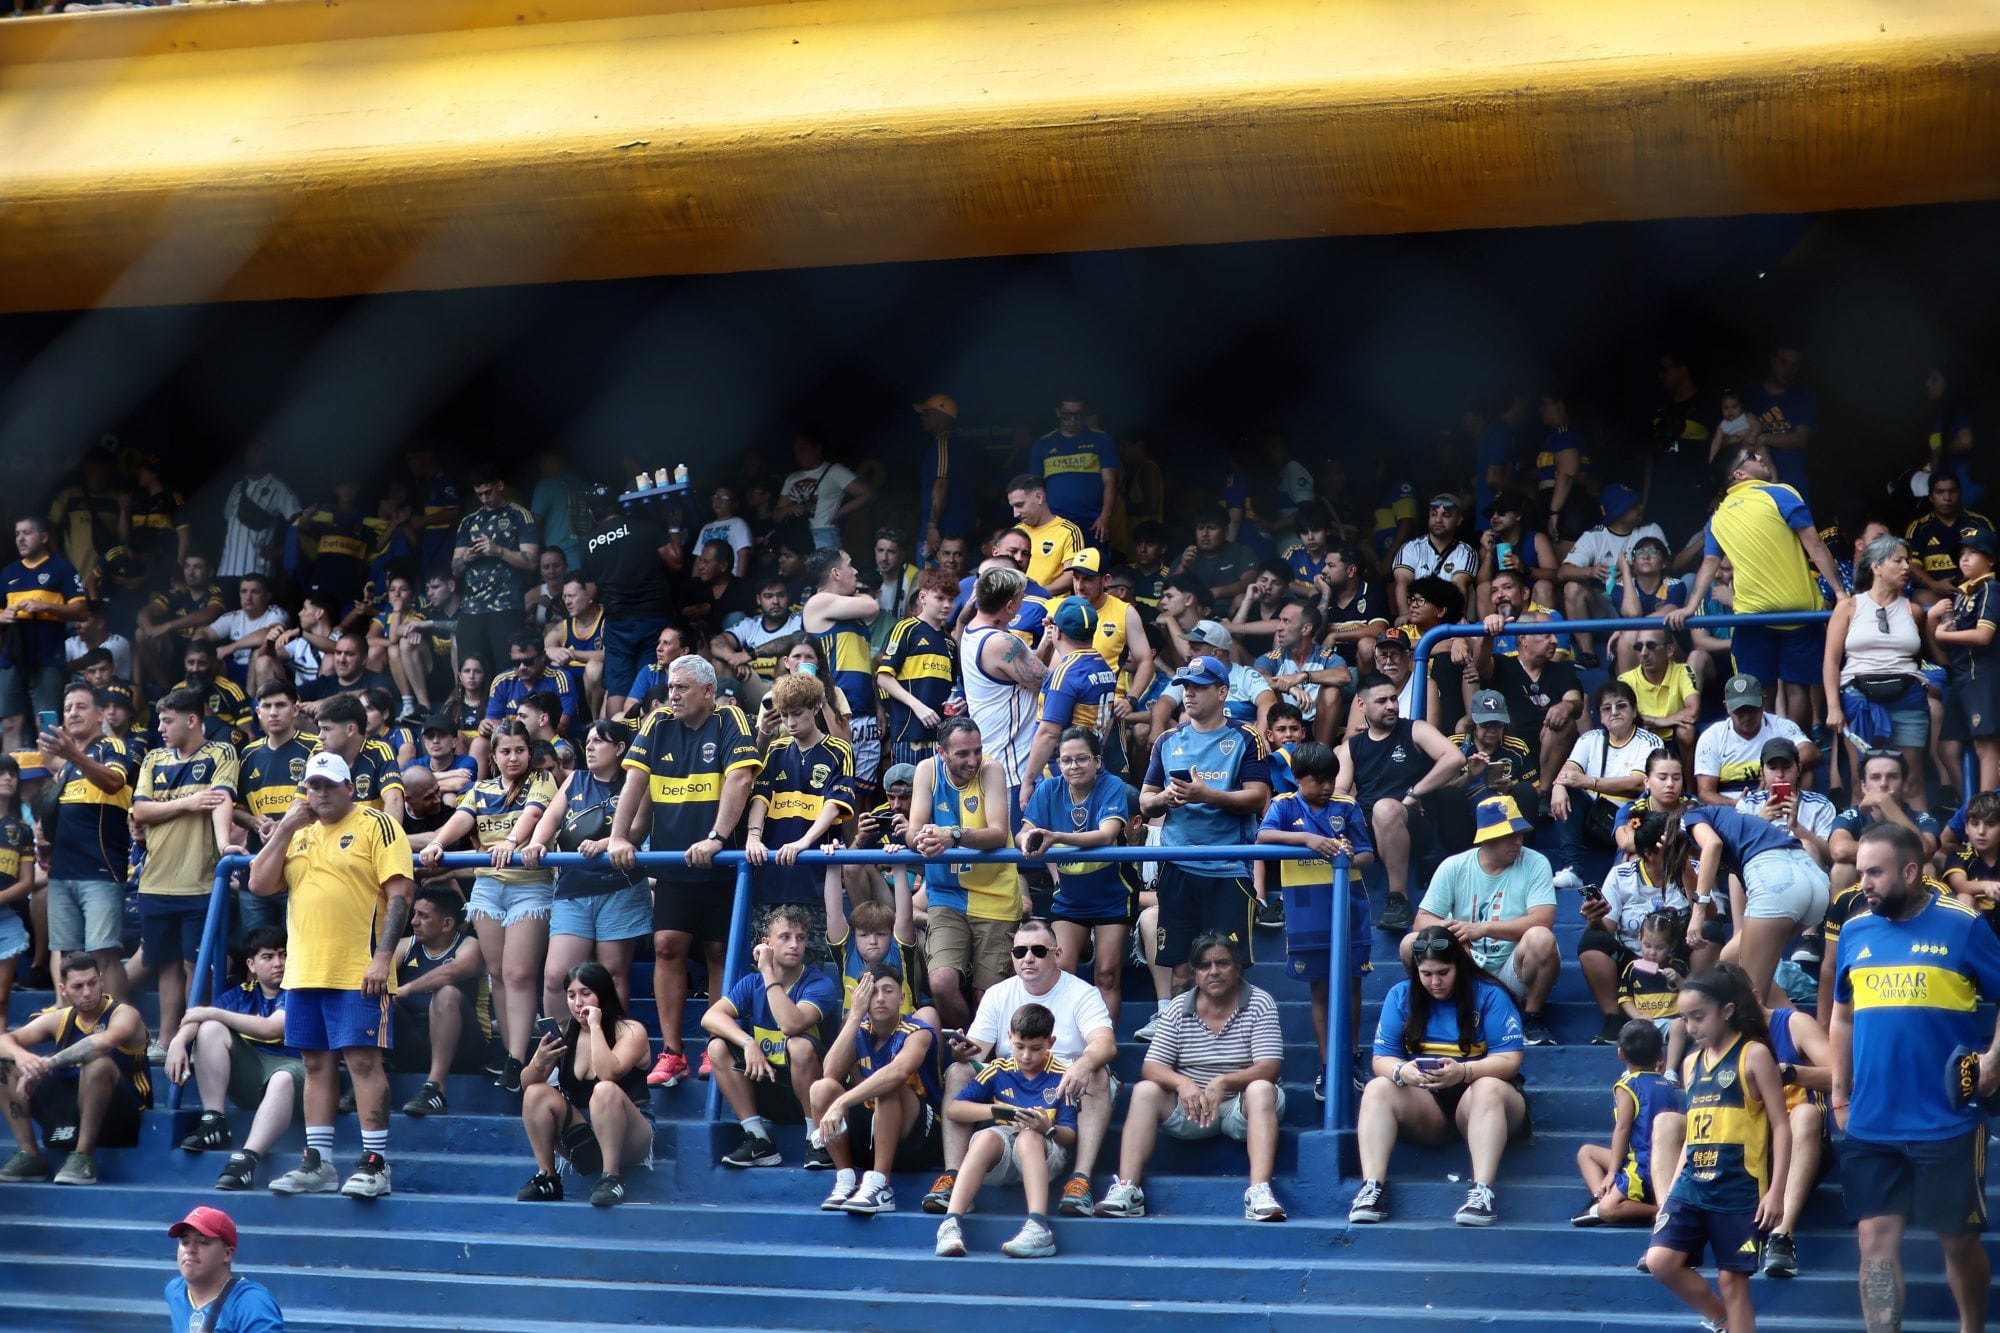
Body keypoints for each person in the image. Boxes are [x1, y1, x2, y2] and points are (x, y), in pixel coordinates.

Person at [1831, 822, 2000, 1333]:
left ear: (1911, 871)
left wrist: (1993, 1058)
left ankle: (1973, 1327)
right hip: (1871, 1120)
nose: (1865, 883)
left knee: (1957, 1240)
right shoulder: (1856, 930)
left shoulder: (1963, 924)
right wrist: (1840, 1091)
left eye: (1876, 872)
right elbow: (1842, 1015)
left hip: (1945, 1119)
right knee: (1873, 1242)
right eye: (1861, 872)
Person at [246, 750, 415, 1200]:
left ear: (350, 787)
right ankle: (318, 1162)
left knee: (362, 1062)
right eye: (312, 786)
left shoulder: (378, 824)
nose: (319, 793)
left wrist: (383, 957)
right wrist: (284, 827)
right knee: (315, 1064)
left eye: (327, 785)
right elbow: (259, 883)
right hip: (304, 970)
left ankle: (375, 1164)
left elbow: (400, 894)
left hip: (358, 967)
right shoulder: (296, 834)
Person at [609, 652, 760, 1088]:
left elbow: (740, 780)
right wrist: (620, 837)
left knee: (718, 952)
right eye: (670, 687)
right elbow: (634, 781)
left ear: (708, 691)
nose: (672, 694)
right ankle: (672, 1053)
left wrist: (715, 837)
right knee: (667, 946)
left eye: (682, 688)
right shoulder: (657, 725)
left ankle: (718, 1045)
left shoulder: (731, 721)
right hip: (674, 864)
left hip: (721, 863)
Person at [926, 918, 1116, 1220]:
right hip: (1011, 1085)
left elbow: (1105, 1043)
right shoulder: (998, 993)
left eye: (1039, 950)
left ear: (1057, 954)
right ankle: (953, 1175)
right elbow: (978, 1049)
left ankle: (1080, 1179)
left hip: (1064, 1086)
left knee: (1095, 1072)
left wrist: (1084, 1063)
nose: (1028, 958)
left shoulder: (1081, 992)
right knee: (958, 1072)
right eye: (1020, 952)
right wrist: (962, 1050)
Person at [1096, 932, 1287, 1222]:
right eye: (1205, 966)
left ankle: (1259, 1191)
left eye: (1222, 963)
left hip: (1241, 1105)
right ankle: (1127, 1189)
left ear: (1237, 967)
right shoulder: (1178, 1007)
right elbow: (1151, 1067)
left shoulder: (1260, 1002)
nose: (1214, 971)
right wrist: (1182, 1083)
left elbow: (1270, 1067)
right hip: (1193, 1107)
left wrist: (1224, 1082)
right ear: (1195, 973)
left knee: (1261, 1087)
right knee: (1146, 1090)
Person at [1644, 967, 1792, 1333]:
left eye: (1699, 1016)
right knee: (1660, 1260)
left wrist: (1776, 1192)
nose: (1691, 1027)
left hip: (1739, 1186)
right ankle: (1722, 1319)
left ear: (1725, 1011)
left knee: (1733, 1281)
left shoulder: (1754, 1054)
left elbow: (1782, 1126)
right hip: (1693, 1183)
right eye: (1684, 1018)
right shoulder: (1692, 1062)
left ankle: (1732, 1319)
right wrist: (1676, 1181)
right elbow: (1693, 1131)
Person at [1349, 925, 1528, 1227]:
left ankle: (1481, 1192)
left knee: (1487, 1088)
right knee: (1379, 1087)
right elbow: (1381, 1058)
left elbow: (1510, 1060)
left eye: (1443, 972)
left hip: (1484, 1098)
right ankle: (1372, 1189)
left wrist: (1464, 1072)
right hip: (1428, 1102)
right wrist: (1401, 1070)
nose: (1435, 982)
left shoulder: (1489, 995)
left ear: (1459, 964)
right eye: (1426, 973)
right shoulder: (1401, 995)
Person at [1667, 442, 1846, 733]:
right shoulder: (1780, 492)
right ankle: (1792, 753)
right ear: (1738, 474)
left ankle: (1771, 759)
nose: (1761, 456)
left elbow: (1708, 565)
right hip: (1797, 612)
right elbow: (1814, 545)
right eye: (1751, 456)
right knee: (1797, 688)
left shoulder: (1718, 517)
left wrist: (1690, 606)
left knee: (1760, 691)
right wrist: (1839, 593)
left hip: (1751, 617)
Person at [417, 719, 555, 1091]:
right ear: (493, 756)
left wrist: (511, 840)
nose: (514, 758)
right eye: (506, 751)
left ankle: (518, 1059)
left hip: (530, 887)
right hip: (488, 889)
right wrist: (438, 844)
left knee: (519, 974)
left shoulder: (542, 781)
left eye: (520, 750)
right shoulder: (481, 789)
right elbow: (462, 819)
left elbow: (534, 815)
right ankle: (513, 1055)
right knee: (497, 974)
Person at [1139, 655, 1272, 992]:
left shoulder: (1246, 737)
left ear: (1222, 691)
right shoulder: (1169, 740)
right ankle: (1187, 1044)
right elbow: (1145, 800)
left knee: (1228, 969)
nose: (1189, 694)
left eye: (1199, 687)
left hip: (1228, 867)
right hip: (1177, 866)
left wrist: (1206, 795)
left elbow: (1258, 797)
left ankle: (1233, 1045)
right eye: (1185, 686)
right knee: (1182, 973)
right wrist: (1165, 798)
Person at [1256, 741, 1376, 1099]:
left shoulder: (1347, 806)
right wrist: (1308, 839)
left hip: (1349, 907)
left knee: (1352, 984)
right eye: (1317, 780)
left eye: (1331, 779)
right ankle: (1327, 1065)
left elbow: (1367, 855)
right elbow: (1262, 837)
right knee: (1319, 990)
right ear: (1297, 778)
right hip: (1305, 912)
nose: (1326, 787)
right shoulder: (1283, 805)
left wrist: (1351, 858)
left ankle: (1353, 1056)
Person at [134, 687, 242, 1052]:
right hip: (154, 880)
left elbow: (221, 799)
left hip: (199, 881)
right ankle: (165, 1040)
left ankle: (191, 1039)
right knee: (165, 966)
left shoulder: (221, 752)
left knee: (196, 966)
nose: (160, 728)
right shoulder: (153, 759)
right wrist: (190, 802)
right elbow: (141, 812)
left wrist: (225, 842)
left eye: (167, 720)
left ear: (192, 719)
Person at [519, 719, 649, 1014]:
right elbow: (550, 819)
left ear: (619, 749)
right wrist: (537, 843)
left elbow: (638, 831)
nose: (589, 746)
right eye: (588, 741)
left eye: (599, 741)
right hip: (573, 890)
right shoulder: (575, 779)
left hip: (619, 889)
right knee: (556, 976)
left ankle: (614, 1048)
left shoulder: (637, 780)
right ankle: (558, 1053)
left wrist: (603, 845)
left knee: (613, 974)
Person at [931, 1001, 1079, 1260]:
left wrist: (1048, 1128)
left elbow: (1070, 1135)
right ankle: (950, 1223)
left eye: (1036, 1048)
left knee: (1029, 1138)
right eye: (1019, 1046)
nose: (1025, 1056)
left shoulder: (1062, 1075)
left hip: (1045, 1150)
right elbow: (954, 1110)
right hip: (1005, 1151)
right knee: (986, 1137)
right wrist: (997, 1113)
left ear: (1050, 1042)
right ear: (1009, 1037)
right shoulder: (999, 1069)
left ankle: (1038, 1227)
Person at [1413, 794, 1562, 1046]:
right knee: (1410, 944)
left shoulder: (1535, 862)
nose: (1518, 840)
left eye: (1520, 832)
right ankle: (1433, 1015)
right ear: (1486, 838)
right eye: (1509, 834)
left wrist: (1482, 929)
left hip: (1512, 967)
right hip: (1465, 965)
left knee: (1541, 938)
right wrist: (1454, 935)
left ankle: (1531, 1016)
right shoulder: (1454, 865)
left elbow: (1542, 920)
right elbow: (1422, 920)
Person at [164, 926, 305, 1192]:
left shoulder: (297, 989)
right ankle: (213, 1121)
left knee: (281, 1078)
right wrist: (178, 1041)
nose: (278, 963)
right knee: (209, 1029)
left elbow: (271, 1028)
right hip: (252, 1073)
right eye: (268, 957)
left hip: (295, 1072)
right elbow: (198, 1019)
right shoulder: (241, 992)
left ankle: (247, 1160)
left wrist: (210, 1013)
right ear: (251, 964)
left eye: (283, 955)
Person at [908, 716, 1024, 1031]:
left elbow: (999, 833)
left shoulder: (992, 769)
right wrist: (921, 839)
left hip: (995, 895)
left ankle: (983, 1056)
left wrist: (953, 836)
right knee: (942, 983)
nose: (973, 760)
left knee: (986, 996)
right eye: (963, 754)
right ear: (942, 752)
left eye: (977, 750)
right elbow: (913, 830)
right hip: (946, 894)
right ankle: (973, 1049)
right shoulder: (926, 771)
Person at [701, 905, 838, 1168]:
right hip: (770, 1085)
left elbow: (791, 1024)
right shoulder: (751, 983)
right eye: (785, 937)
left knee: (799, 1044)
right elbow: (710, 1017)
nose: (794, 945)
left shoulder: (819, 984)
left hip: (815, 1093)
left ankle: (816, 1138)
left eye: (800, 938)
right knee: (717, 1047)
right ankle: (758, 1139)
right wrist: (747, 1041)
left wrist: (767, 972)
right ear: (767, 943)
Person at [0, 952, 151, 1186]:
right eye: (78, 986)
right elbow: (4, 1041)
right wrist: (22, 1058)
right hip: (70, 1101)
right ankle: (30, 1154)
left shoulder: (124, 1014)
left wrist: (44, 1065)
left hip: (122, 1109)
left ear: (101, 980)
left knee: (97, 1063)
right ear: (63, 989)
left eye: (92, 982)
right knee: (4, 1065)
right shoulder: (60, 1018)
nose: (87, 992)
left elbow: (100, 1043)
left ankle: (83, 1156)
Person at [809, 962, 944, 1215]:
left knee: (889, 1086)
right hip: (872, 1134)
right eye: (871, 992)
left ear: (902, 997)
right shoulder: (859, 1030)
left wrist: (842, 1103)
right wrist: (855, 1015)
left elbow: (898, 1072)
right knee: (821, 1089)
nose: (880, 998)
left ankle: (881, 1186)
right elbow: (830, 1072)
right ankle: (846, 1179)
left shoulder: (918, 1031)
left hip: (919, 1138)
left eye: (888, 991)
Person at [515, 959, 653, 1207]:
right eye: (571, 995)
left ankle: (611, 1177)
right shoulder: (564, 1032)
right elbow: (527, 1085)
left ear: (603, 994)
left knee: (605, 1089)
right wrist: (539, 1061)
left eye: (586, 994)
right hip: (584, 1137)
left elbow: (608, 1073)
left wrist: (596, 1027)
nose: (578, 1003)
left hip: (630, 1137)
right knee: (536, 1093)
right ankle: (548, 1177)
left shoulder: (631, 1031)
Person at [1020, 727, 1133, 1025]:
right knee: (1062, 972)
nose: (1073, 767)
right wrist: (1027, 841)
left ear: (1097, 761)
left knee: (1107, 975)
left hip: (1112, 893)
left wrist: (1055, 836)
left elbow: (1107, 835)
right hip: (1070, 895)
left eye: (1081, 759)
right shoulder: (1048, 789)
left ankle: (1104, 1053)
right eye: (1066, 761)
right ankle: (1066, 1052)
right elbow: (1025, 831)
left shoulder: (1112, 785)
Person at [1334, 671, 1460, 933]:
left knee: (1386, 807)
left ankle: (1398, 900)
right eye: (1381, 701)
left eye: (1394, 699)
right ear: (1361, 706)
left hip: (1414, 823)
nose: (1391, 705)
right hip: (1368, 829)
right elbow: (1339, 793)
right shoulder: (1350, 747)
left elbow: (1455, 758)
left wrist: (1414, 793)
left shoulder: (1415, 729)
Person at [37, 680, 138, 998]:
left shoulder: (113, 746)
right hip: (62, 872)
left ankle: (122, 1030)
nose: (72, 713)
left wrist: (73, 756)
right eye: (67, 709)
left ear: (99, 715)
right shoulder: (66, 766)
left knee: (103, 953)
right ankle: (66, 1027)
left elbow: (113, 782)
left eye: (81, 706)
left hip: (100, 870)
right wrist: (47, 840)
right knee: (66, 956)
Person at [1682, 802, 1830, 1005]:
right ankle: (1801, 1035)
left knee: (1751, 1001)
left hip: (1777, 877)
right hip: (1813, 879)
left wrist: (1697, 912)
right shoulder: (1741, 831)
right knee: (1730, 961)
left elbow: (1712, 844)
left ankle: (1761, 1033)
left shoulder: (1692, 816)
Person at [1824, 533, 1933, 797]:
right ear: (1876, 567)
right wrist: (1833, 707)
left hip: (1908, 696)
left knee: (1911, 781)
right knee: (1861, 781)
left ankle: (1916, 838)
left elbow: (1918, 659)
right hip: (1858, 696)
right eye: (1898, 560)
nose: (1907, 567)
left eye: (1907, 560)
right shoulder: (1848, 607)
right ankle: (1860, 838)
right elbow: (1831, 660)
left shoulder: (1914, 610)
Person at [386, 886, 491, 1117]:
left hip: (463, 1048)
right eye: (414, 914)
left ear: (447, 924)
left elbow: (450, 973)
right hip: (413, 1041)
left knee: (446, 993)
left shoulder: (469, 945)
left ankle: (434, 1089)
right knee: (375, 995)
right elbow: (380, 975)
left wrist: (407, 989)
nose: (414, 921)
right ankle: (371, 1075)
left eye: (424, 916)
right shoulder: (407, 945)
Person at [1548, 680, 1662, 890]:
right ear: (1599, 716)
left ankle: (1617, 886)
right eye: (1607, 708)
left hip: (1629, 818)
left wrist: (1590, 782)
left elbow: (1638, 784)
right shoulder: (1590, 739)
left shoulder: (1649, 741)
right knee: (1567, 792)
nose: (1614, 712)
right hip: (1593, 818)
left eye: (1621, 705)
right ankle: (1572, 869)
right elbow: (1568, 771)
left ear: (1634, 710)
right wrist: (1558, 787)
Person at [1572, 1020, 1683, 1227]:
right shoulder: (1666, 1084)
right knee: (1586, 1151)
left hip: (1641, 1166)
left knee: (1608, 1210)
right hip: (1667, 1163)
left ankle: (1659, 1211)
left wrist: (1612, 1172)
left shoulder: (1626, 1085)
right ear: (1661, 1055)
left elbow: (1622, 1128)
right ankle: (1603, 1195)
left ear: (1620, 1053)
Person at [800, 546, 884, 801]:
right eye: (850, 565)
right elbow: (872, 606)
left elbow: (864, 664)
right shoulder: (819, 601)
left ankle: (859, 842)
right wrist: (863, 595)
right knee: (838, 792)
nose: (855, 571)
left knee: (862, 794)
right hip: (836, 714)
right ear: (835, 573)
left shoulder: (850, 613)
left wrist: (878, 706)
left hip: (864, 714)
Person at [0, 514, 88, 754]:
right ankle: (9, 779)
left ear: (44, 536)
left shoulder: (61, 568)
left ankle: (49, 780)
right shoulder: (9, 573)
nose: (21, 539)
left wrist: (46, 606)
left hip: (49, 655)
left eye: (27, 533)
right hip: (12, 656)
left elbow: (82, 610)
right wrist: (3, 616)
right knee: (9, 722)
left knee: (46, 722)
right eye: (17, 534)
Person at [1019, 596, 1117, 796]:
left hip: (1059, 775)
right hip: (1091, 767)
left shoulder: (1067, 673)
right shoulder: (1103, 666)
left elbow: (1049, 733)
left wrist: (1028, 780)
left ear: (1058, 632)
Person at [450, 466, 541, 682]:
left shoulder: (520, 515)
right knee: (470, 669)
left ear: (500, 486)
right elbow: (454, 569)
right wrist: (467, 558)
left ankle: (509, 713)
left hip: (506, 606)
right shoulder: (469, 521)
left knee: (507, 667)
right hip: (472, 608)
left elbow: (531, 562)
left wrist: (498, 550)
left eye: (488, 492)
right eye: (479, 494)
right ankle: (472, 713)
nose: (484, 498)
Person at [1929, 529, 2000, 796]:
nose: (1964, 559)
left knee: (1986, 747)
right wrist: (1934, 622)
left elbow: (1984, 635)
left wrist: (1940, 632)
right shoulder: (1961, 595)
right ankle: (1970, 810)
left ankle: (1987, 815)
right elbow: (1942, 641)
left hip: (1983, 677)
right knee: (1946, 747)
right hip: (1961, 680)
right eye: (1961, 554)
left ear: (1991, 559)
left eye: (1973, 553)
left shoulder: (1990, 589)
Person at [1693, 673, 1817, 806]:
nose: (1747, 716)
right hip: (1732, 808)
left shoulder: (1780, 726)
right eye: (1740, 711)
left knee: (1806, 773)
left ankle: (1795, 822)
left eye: (1752, 709)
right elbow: (1705, 793)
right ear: (1727, 707)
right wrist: (1743, 805)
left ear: (1763, 702)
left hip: (1779, 800)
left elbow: (1812, 752)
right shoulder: (1712, 736)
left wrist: (1770, 775)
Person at [874, 569, 957, 768]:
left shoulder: (950, 642)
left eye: (951, 599)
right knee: (907, 795)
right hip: (909, 732)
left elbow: (954, 687)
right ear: (923, 597)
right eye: (940, 598)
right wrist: (919, 707)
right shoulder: (906, 628)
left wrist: (958, 702)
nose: (947, 605)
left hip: (942, 737)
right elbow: (883, 678)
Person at [164, 1206, 285, 1333]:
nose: (190, 1249)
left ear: (227, 1253)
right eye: (185, 1241)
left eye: (203, 1241)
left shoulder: (252, 1303)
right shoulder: (174, 1290)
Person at [1031, 392, 1118, 541]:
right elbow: (1034, 488)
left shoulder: (1102, 440)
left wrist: (1105, 517)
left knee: (1093, 563)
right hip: (1054, 521)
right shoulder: (1043, 445)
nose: (1072, 420)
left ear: (1086, 413)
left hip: (1093, 521)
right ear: (1058, 412)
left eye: (1078, 415)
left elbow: (1110, 482)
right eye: (1067, 415)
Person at [775, 429, 873, 550]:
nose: (798, 455)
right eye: (796, 451)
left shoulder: (835, 471)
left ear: (817, 448)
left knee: (824, 568)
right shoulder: (792, 478)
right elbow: (776, 515)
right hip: (796, 535)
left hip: (824, 534)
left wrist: (839, 513)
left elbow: (867, 494)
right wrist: (787, 509)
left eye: (803, 449)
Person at [913, 392, 977, 561]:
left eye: (927, 413)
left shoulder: (944, 443)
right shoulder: (963, 446)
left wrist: (933, 525)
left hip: (944, 528)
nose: (922, 417)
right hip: (961, 526)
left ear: (941, 416)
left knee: (933, 581)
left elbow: (941, 484)